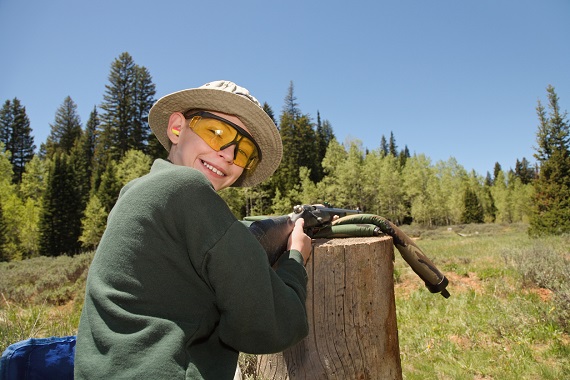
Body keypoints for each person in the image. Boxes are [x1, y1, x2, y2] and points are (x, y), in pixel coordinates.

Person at [74, 80, 313, 379]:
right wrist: (294, 258)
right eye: (216, 132)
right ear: (177, 128)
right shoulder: (188, 188)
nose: (228, 153)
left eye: (244, 152)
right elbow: (274, 325)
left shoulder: (134, 192)